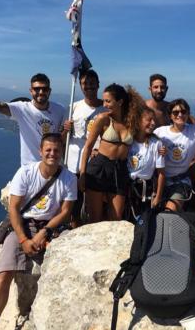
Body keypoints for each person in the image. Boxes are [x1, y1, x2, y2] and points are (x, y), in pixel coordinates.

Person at [0, 133, 76, 330]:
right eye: (48, 150)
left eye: (56, 150)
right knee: (5, 271)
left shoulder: (68, 178)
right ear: (40, 151)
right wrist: (24, 239)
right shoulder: (26, 173)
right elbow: (14, 207)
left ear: (62, 152)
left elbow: (66, 212)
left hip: (50, 227)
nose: (52, 154)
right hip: (23, 225)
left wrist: (45, 232)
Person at [0, 65, 67, 166]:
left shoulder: (60, 110)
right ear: (31, 91)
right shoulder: (22, 108)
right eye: (36, 89)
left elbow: (63, 139)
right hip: (29, 170)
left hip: (54, 168)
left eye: (44, 89)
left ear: (49, 91)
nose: (41, 92)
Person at [79, 83, 144, 222]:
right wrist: (82, 174)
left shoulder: (131, 121)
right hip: (99, 168)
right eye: (104, 101)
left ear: (120, 102)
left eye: (108, 101)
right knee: (95, 219)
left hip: (120, 170)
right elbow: (88, 146)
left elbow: (145, 136)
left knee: (116, 218)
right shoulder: (103, 119)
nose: (104, 104)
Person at [63, 69, 105, 227]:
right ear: (80, 85)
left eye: (92, 83)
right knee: (75, 207)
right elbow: (61, 138)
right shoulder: (73, 107)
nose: (89, 87)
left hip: (97, 164)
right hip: (74, 163)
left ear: (98, 84)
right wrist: (65, 129)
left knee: (96, 207)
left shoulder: (105, 108)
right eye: (85, 83)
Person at [154, 99, 195, 211]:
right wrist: (156, 152)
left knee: (170, 212)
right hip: (158, 181)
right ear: (170, 116)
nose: (180, 115)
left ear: (188, 113)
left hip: (180, 181)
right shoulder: (160, 132)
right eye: (175, 112)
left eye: (183, 111)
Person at [126, 107, 166, 218]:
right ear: (138, 120)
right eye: (149, 120)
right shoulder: (128, 140)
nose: (153, 123)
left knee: (142, 223)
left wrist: (158, 196)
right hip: (126, 186)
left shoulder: (156, 144)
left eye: (154, 120)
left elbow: (161, 173)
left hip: (145, 190)